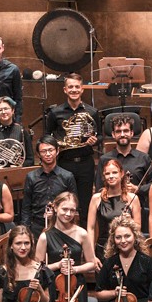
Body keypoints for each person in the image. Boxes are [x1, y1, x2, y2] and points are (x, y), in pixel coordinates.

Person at [42, 73, 100, 213]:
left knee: (85, 203)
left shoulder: (92, 112)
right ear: (65, 90)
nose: (74, 90)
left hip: (85, 163)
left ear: (82, 89)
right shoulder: (55, 113)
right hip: (64, 162)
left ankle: (84, 227)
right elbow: (46, 137)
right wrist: (56, 145)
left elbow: (100, 135)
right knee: (64, 201)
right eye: (70, 87)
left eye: (77, 87)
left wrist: (95, 140)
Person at [22, 137, 76, 234]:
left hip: (61, 225)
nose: (48, 154)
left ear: (57, 151)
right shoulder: (31, 177)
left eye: (51, 150)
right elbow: (26, 208)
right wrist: (26, 231)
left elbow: (74, 204)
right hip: (37, 226)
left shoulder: (67, 176)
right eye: (43, 151)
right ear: (38, 154)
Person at [89, 157, 143, 248]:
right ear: (104, 176)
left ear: (122, 174)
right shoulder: (96, 198)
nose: (111, 176)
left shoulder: (133, 198)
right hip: (103, 247)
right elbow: (91, 228)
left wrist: (130, 222)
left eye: (114, 172)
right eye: (107, 173)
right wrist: (91, 253)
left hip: (125, 247)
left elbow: (138, 228)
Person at [99, 114, 152, 191]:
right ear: (113, 134)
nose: (122, 135)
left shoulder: (144, 158)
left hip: (138, 198)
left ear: (131, 133)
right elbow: (99, 188)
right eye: (118, 131)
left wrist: (138, 189)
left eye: (126, 131)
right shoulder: (104, 159)